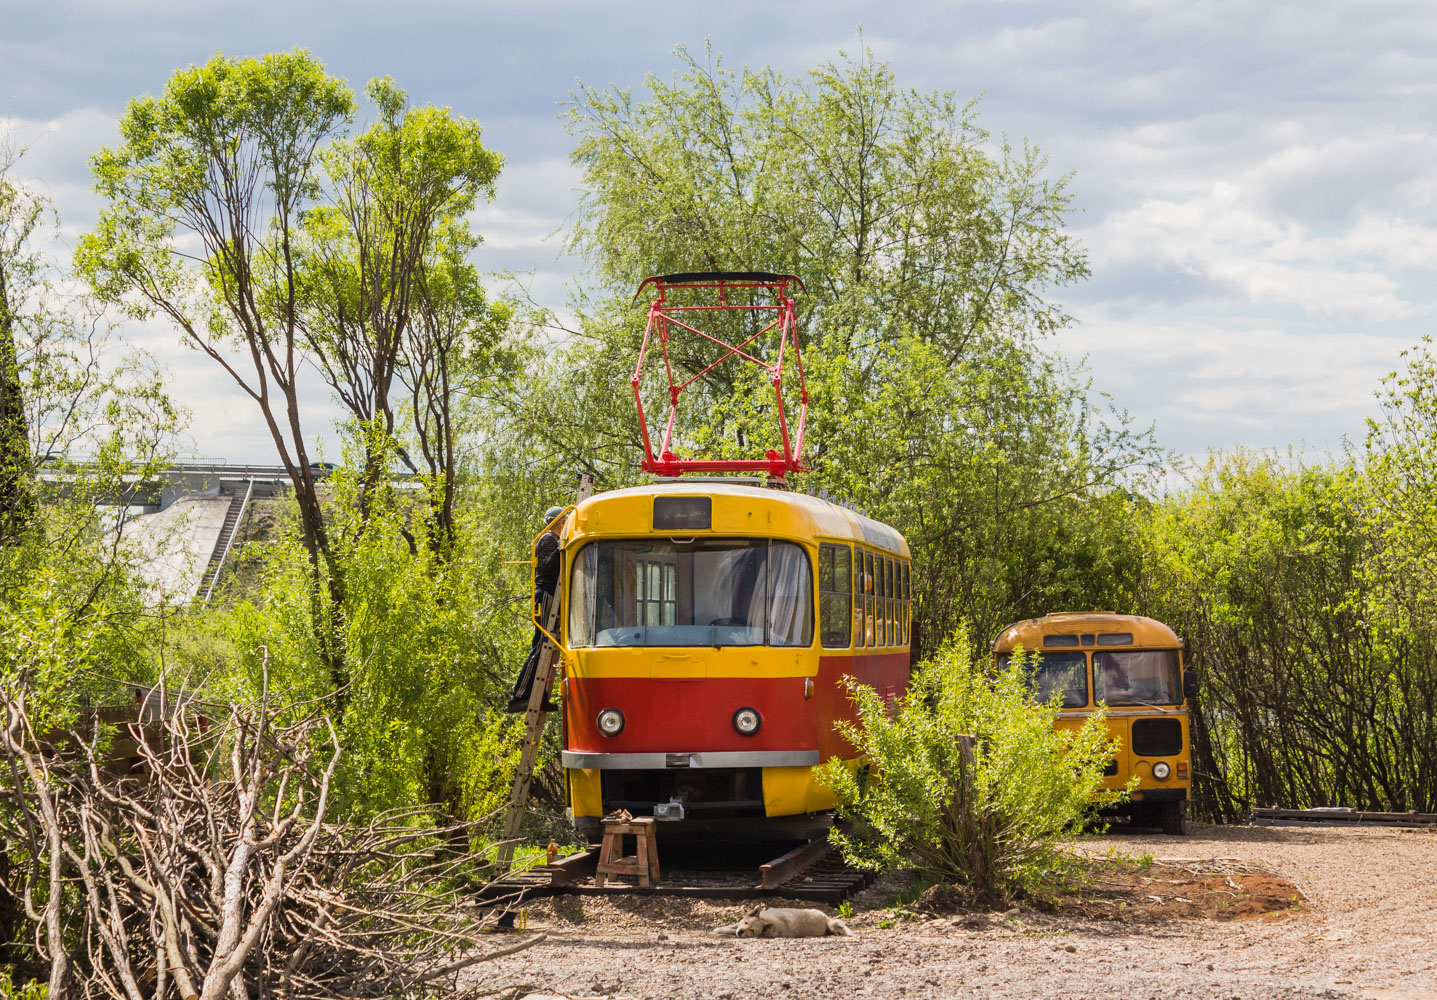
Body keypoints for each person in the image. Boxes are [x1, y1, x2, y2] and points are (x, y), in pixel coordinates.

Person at [506, 506, 567, 712]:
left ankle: (538, 695)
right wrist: (563, 549)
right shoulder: (549, 539)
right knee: (540, 645)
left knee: (545, 648)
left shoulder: (551, 539)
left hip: (550, 593)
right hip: (546, 593)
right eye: (565, 521)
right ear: (558, 522)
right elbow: (547, 566)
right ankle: (520, 695)